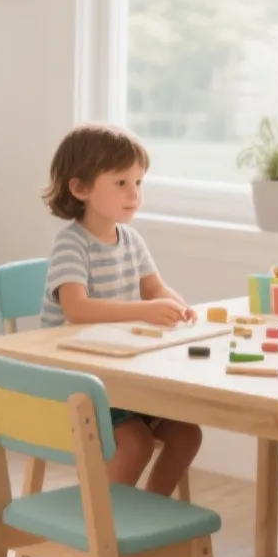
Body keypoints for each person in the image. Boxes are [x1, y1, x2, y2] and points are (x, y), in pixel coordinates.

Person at [41, 123, 203, 507]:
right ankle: (107, 533)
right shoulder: (71, 243)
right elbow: (76, 309)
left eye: (139, 182)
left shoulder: (130, 240)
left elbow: (155, 288)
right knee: (134, 442)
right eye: (121, 183)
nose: (134, 194)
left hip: (120, 376)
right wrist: (147, 310)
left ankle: (145, 517)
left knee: (187, 435)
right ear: (80, 188)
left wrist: (180, 309)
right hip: (76, 385)